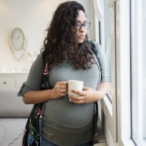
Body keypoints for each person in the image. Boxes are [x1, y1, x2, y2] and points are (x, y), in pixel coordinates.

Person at [18, 1, 110, 146]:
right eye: (76, 24)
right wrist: (52, 93)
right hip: (49, 138)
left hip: (85, 138)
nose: (82, 29)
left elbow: (106, 81)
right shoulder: (47, 57)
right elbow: (27, 96)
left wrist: (97, 95)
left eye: (84, 23)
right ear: (64, 26)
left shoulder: (96, 50)